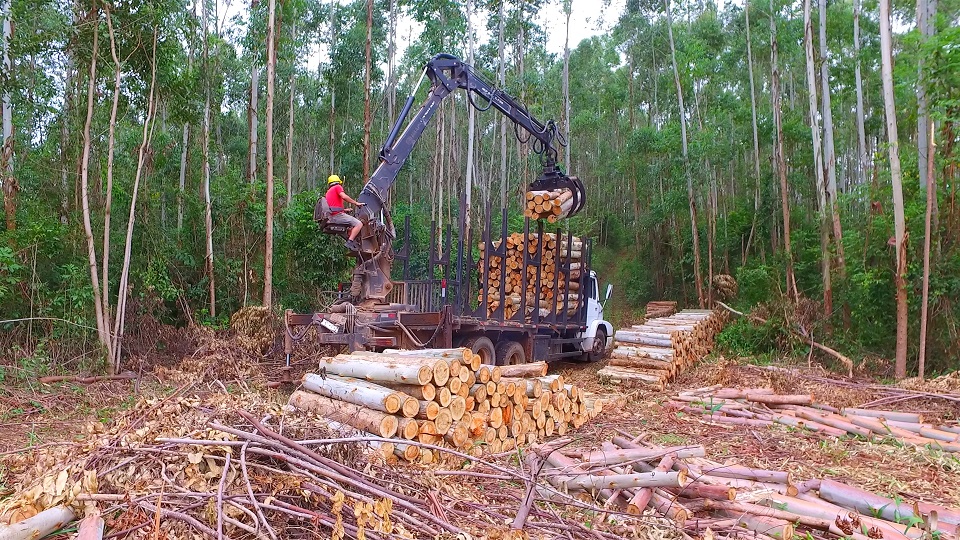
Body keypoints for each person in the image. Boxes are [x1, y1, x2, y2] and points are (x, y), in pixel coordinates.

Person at [325, 174, 365, 251]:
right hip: (337, 216)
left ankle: (351, 238)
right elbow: (344, 196)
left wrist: (345, 210)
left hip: (332, 216)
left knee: (351, 225)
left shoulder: (328, 192)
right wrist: (356, 203)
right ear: (338, 182)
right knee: (359, 224)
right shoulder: (337, 187)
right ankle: (350, 242)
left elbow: (332, 207)